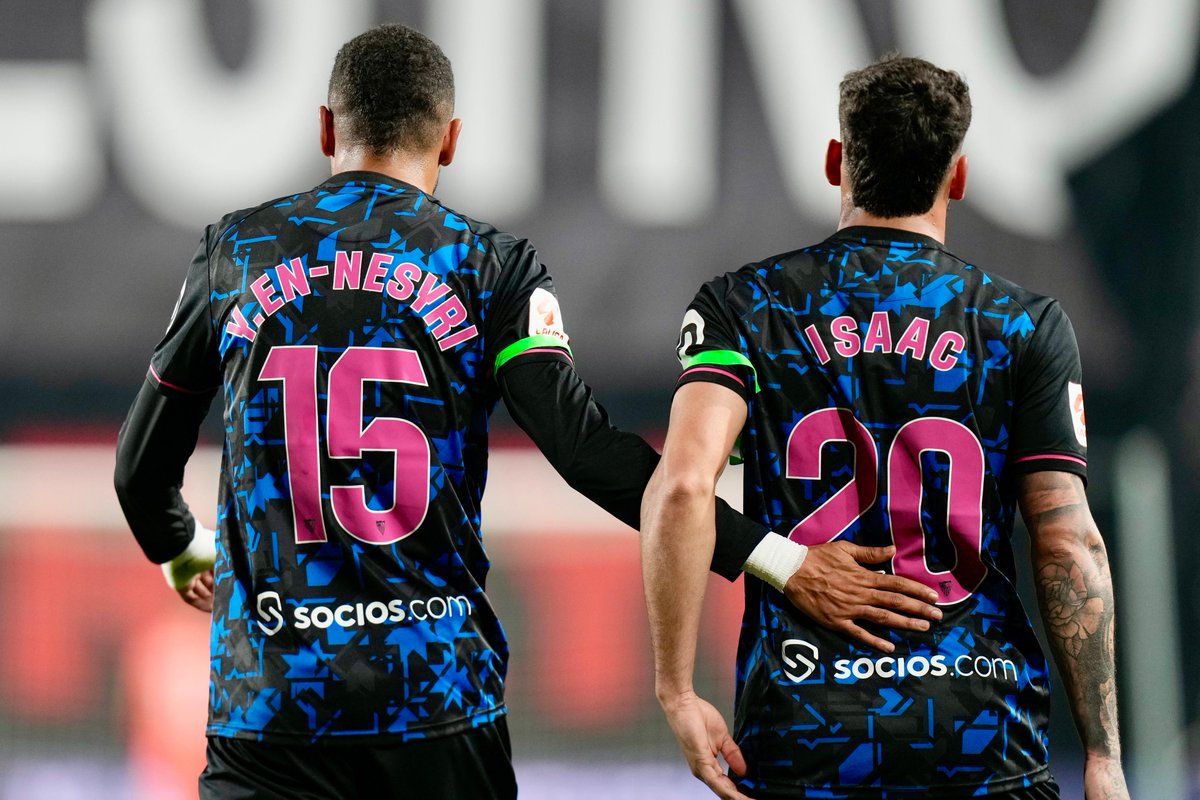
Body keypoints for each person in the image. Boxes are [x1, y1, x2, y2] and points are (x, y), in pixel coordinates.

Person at [112, 26, 941, 800]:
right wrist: (780, 560)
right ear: (451, 139)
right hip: (435, 708)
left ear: (328, 129)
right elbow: (585, 453)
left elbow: (139, 469)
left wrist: (180, 548)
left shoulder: (236, 253)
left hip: (271, 713)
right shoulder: (490, 269)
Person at [641, 55, 1128, 800]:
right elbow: (1068, 541)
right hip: (982, 738)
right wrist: (1102, 754)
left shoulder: (746, 306)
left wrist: (676, 690)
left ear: (836, 161)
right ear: (957, 176)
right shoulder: (1023, 324)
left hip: (806, 733)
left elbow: (681, 489)